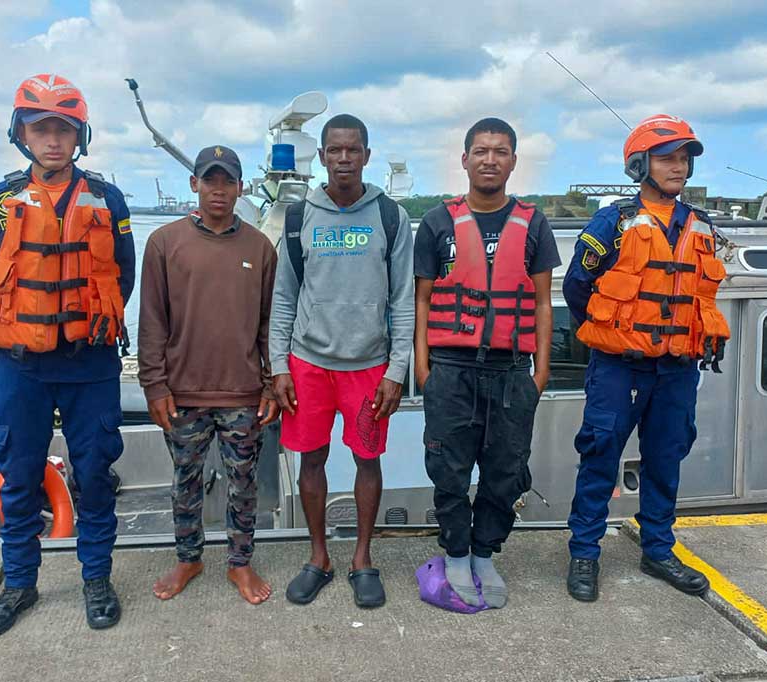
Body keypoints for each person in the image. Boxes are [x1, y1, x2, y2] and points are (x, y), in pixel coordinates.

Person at [0, 74, 135, 637]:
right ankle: (18, 583)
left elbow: (123, 276)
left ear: (79, 136)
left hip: (90, 363)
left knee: (93, 473)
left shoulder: (108, 201)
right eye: (41, 129)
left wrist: (84, 324)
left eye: (63, 129)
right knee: (18, 476)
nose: (53, 141)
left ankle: (96, 580)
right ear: (22, 135)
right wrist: (19, 336)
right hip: (21, 365)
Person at [563, 114, 731, 602]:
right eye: (667, 157)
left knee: (665, 459)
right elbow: (578, 286)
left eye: (683, 158)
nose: (678, 167)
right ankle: (584, 554)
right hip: (620, 367)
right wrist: (610, 333)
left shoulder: (701, 225)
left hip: (678, 369)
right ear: (641, 165)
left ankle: (658, 549)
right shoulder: (612, 222)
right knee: (599, 456)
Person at [413, 117, 559, 608]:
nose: (490, 159)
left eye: (500, 151)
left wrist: (540, 372)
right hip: (450, 369)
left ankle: (484, 553)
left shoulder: (534, 224)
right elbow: (422, 300)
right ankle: (455, 552)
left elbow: (542, 302)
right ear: (465, 159)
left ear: (514, 161)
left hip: (513, 371)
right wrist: (423, 367)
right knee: (449, 471)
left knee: (505, 471)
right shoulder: (436, 223)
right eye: (481, 151)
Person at [270, 114, 414, 609]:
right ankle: (319, 557)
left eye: (353, 150)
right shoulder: (298, 217)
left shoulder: (390, 217)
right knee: (311, 459)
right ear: (323, 157)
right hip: (309, 364)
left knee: (367, 459)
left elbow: (403, 301)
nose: (344, 159)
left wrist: (398, 370)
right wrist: (279, 366)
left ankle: (362, 558)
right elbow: (284, 298)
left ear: (367, 156)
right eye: (335, 150)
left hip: (369, 366)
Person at [138, 145, 278, 605]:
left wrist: (272, 381)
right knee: (185, 481)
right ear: (194, 184)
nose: (219, 190)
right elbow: (152, 321)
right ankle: (188, 557)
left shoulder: (259, 247)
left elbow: (269, 324)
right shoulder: (163, 242)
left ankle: (240, 563)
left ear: (240, 188)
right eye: (210, 180)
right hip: (182, 392)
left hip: (241, 392)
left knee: (244, 483)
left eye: (228, 181)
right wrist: (153, 385)